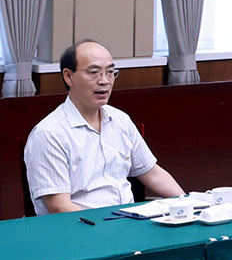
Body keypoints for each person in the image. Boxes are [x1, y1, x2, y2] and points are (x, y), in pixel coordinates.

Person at [24, 39, 185, 215]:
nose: (104, 81)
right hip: (82, 226)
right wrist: (109, 226)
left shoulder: (120, 120)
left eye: (110, 72)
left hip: (127, 221)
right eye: (94, 72)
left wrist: (187, 203)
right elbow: (59, 206)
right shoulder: (49, 134)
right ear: (68, 76)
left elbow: (153, 174)